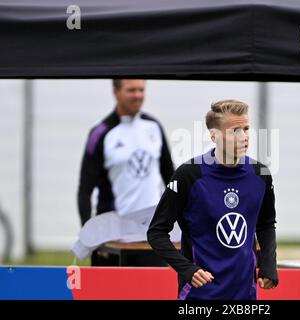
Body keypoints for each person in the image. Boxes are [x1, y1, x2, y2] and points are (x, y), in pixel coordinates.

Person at [147, 99, 278, 300]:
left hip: (245, 294)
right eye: (235, 131)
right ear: (214, 136)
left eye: (246, 129)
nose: (244, 137)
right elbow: (156, 232)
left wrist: (268, 264)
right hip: (199, 295)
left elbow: (266, 224)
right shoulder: (189, 175)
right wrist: (187, 269)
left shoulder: (260, 174)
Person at [73, 79, 180, 265]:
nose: (138, 95)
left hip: (150, 235)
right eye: (131, 90)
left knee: (151, 294)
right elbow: (85, 189)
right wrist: (91, 237)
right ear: (116, 92)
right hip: (112, 237)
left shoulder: (153, 126)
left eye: (141, 90)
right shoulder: (100, 133)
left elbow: (171, 178)